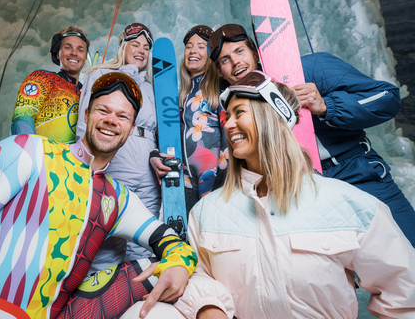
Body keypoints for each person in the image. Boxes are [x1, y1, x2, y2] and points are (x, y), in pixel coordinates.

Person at [127, 71, 415, 318]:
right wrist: (208, 305)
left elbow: (405, 293)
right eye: (228, 117)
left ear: (272, 118)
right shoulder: (207, 212)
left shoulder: (348, 203)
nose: (226, 125)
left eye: (239, 113)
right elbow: (200, 275)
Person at [0, 72, 197, 319]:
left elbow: (177, 245)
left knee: (153, 268)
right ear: (86, 114)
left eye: (122, 116)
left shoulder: (118, 198)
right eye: (103, 110)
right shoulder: (29, 150)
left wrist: (179, 265)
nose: (111, 120)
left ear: (130, 130)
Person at [206, 23, 415, 247]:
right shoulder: (233, 108)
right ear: (221, 72)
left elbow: (387, 97)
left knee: (407, 252)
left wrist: (327, 106)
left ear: (255, 52)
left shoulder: (310, 68)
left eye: (240, 51)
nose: (236, 61)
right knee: (334, 275)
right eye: (225, 59)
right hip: (298, 193)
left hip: (356, 175)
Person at [59, 23, 162, 319]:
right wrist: (85, 167)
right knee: (110, 226)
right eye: (135, 44)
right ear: (123, 47)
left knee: (143, 231)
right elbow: (85, 122)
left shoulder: (153, 86)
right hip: (119, 155)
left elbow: (158, 130)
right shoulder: (100, 75)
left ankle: (131, 300)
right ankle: (95, 301)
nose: (141, 50)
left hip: (148, 163)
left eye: (146, 47)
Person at [150, 25, 228, 215]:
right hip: (184, 179)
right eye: (189, 46)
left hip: (214, 176)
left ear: (210, 53)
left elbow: (228, 134)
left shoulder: (219, 88)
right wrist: (154, 154)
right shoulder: (177, 96)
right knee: (189, 236)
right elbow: (165, 137)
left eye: (201, 46)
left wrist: (223, 175)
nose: (193, 51)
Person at [11, 26, 88, 144]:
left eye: (80, 50)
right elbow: (22, 118)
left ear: (85, 58)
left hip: (75, 162)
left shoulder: (86, 93)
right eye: (68, 47)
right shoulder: (42, 78)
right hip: (41, 159)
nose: (74, 53)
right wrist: (31, 154)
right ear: (58, 54)